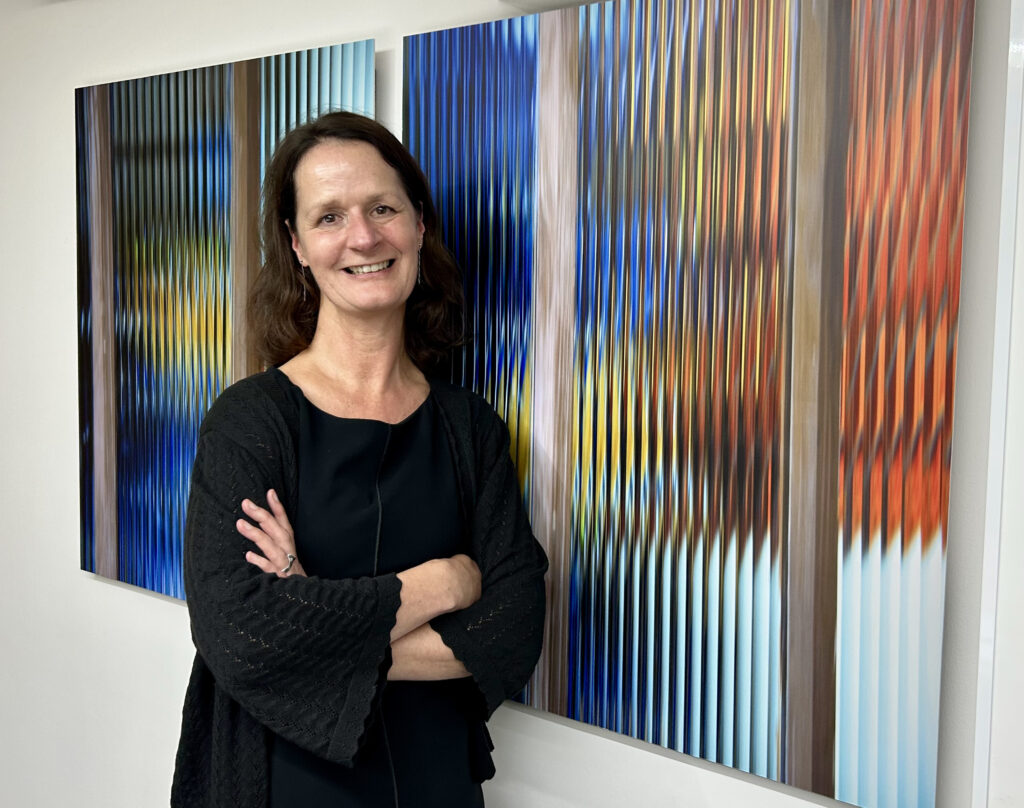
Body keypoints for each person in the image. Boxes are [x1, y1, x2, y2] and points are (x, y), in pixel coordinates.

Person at [170, 111, 548, 808]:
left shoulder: (470, 430)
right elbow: (241, 635)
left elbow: (513, 631)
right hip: (283, 785)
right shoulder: (251, 423)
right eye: (329, 217)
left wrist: (312, 622)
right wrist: (444, 583)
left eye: (382, 208)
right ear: (296, 244)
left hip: (439, 785)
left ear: (419, 224)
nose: (364, 237)